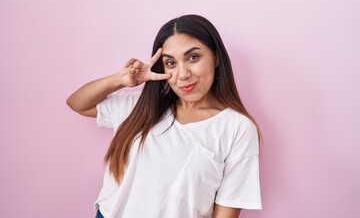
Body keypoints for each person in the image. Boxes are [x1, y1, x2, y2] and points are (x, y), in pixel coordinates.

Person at [66, 14, 262, 218]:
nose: (183, 74)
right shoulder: (140, 107)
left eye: (193, 57)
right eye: (171, 63)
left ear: (216, 58)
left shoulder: (237, 128)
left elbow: (226, 212)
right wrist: (121, 79)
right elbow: (77, 103)